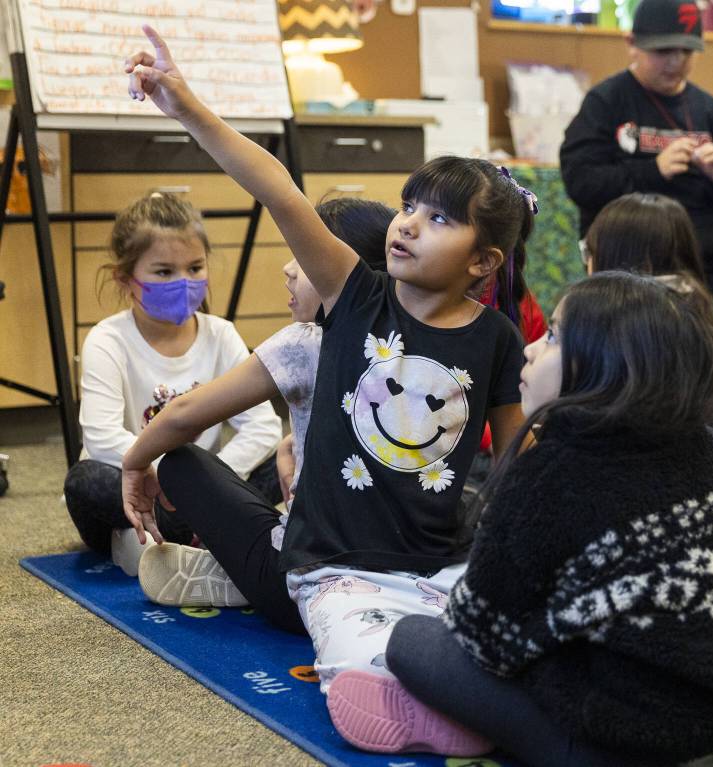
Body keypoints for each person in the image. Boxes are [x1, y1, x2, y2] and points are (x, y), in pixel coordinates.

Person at [122, 26, 527, 753]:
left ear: (483, 261)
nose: (408, 224)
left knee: (506, 637)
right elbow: (274, 185)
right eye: (410, 205)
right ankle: (416, 702)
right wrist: (184, 105)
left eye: (439, 218)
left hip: (438, 564)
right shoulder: (353, 293)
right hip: (333, 566)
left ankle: (476, 692)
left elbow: (519, 456)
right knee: (363, 661)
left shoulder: (496, 339)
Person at [325, 273, 713, 764]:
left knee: (409, 639)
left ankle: (472, 724)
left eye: (554, 336)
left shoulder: (553, 472)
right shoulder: (700, 441)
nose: (532, 348)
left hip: (627, 751)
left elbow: (482, 638)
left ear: (607, 365)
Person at [123, 197, 394, 632]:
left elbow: (183, 417)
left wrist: (135, 462)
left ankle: (235, 575)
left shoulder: (304, 341)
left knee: (181, 462)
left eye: (304, 257)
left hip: (300, 586)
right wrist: (293, 444)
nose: (288, 268)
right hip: (404, 583)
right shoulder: (419, 344)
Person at [63, 192, 282, 574]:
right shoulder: (107, 339)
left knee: (293, 461)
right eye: (164, 272)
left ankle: (173, 542)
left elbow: (262, 426)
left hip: (205, 491)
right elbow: (101, 437)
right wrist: (170, 480)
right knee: (85, 480)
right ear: (125, 277)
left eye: (195, 267)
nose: (184, 282)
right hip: (138, 486)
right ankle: (204, 539)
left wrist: (204, 485)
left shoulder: (222, 335)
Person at [559, 0, 713, 352]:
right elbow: (580, 181)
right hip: (628, 230)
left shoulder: (709, 109)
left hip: (700, 228)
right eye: (663, 50)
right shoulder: (606, 101)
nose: (676, 62)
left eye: (687, 50)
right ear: (632, 43)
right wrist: (652, 171)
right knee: (659, 309)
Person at [583, 192, 713, 444]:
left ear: (621, 262)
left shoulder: (642, 327)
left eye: (589, 253)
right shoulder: (703, 306)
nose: (588, 266)